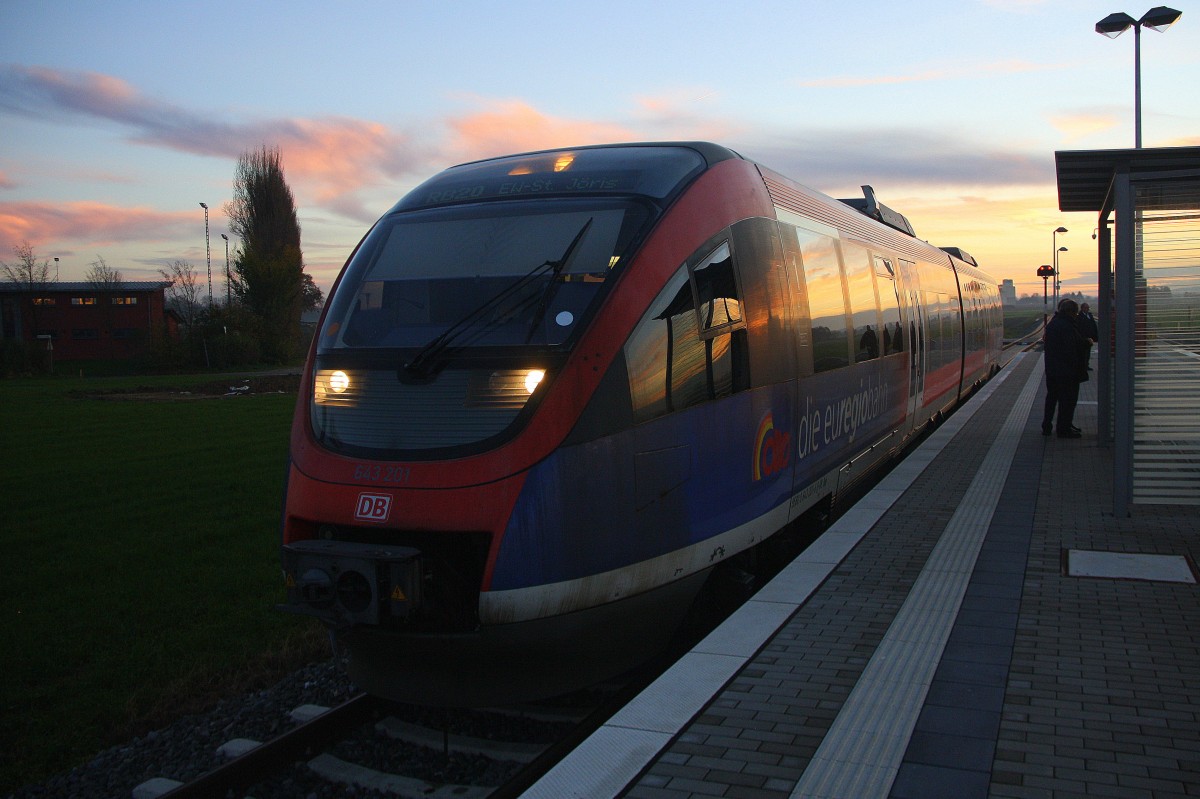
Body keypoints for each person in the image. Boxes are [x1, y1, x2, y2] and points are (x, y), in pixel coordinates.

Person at [1042, 298, 1089, 438]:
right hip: (1067, 371)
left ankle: (1047, 426)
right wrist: (1086, 344)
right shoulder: (1067, 326)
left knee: (1051, 398)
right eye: (1075, 313)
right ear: (1070, 312)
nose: (1076, 315)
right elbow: (1071, 348)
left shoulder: (1053, 324)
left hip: (1052, 369)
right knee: (1067, 401)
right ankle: (1064, 428)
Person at [1077, 302, 1099, 371]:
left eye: (1088, 308)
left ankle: (1086, 365)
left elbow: (1093, 325)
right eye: (1086, 308)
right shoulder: (1079, 317)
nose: (1087, 309)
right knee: (1084, 352)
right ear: (1082, 308)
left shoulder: (1090, 315)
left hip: (1090, 337)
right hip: (1084, 337)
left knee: (1088, 352)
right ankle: (1083, 366)